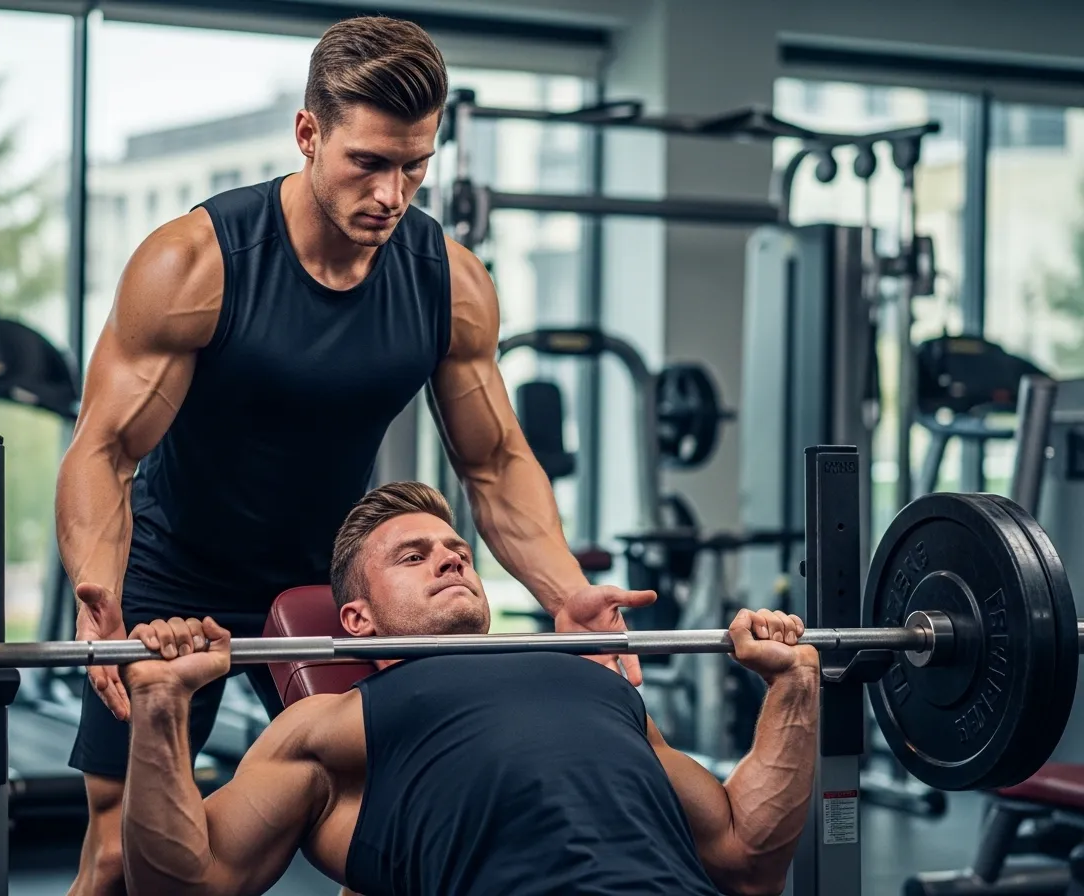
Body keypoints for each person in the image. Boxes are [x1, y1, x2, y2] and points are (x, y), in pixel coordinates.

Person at [56, 14, 659, 896]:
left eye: (416, 165)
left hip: (329, 589)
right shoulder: (196, 262)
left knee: (388, 819)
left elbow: (494, 464)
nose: (393, 192)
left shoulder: (447, 279)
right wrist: (98, 598)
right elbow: (103, 451)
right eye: (369, 162)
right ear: (309, 134)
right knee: (121, 857)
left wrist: (565, 592)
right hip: (175, 574)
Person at [117, 482, 819, 896]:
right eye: (413, 556)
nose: (450, 560)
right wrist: (160, 711)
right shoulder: (329, 725)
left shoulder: (590, 680)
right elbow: (189, 882)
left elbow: (747, 856)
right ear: (355, 621)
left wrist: (793, 686)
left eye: (456, 551)